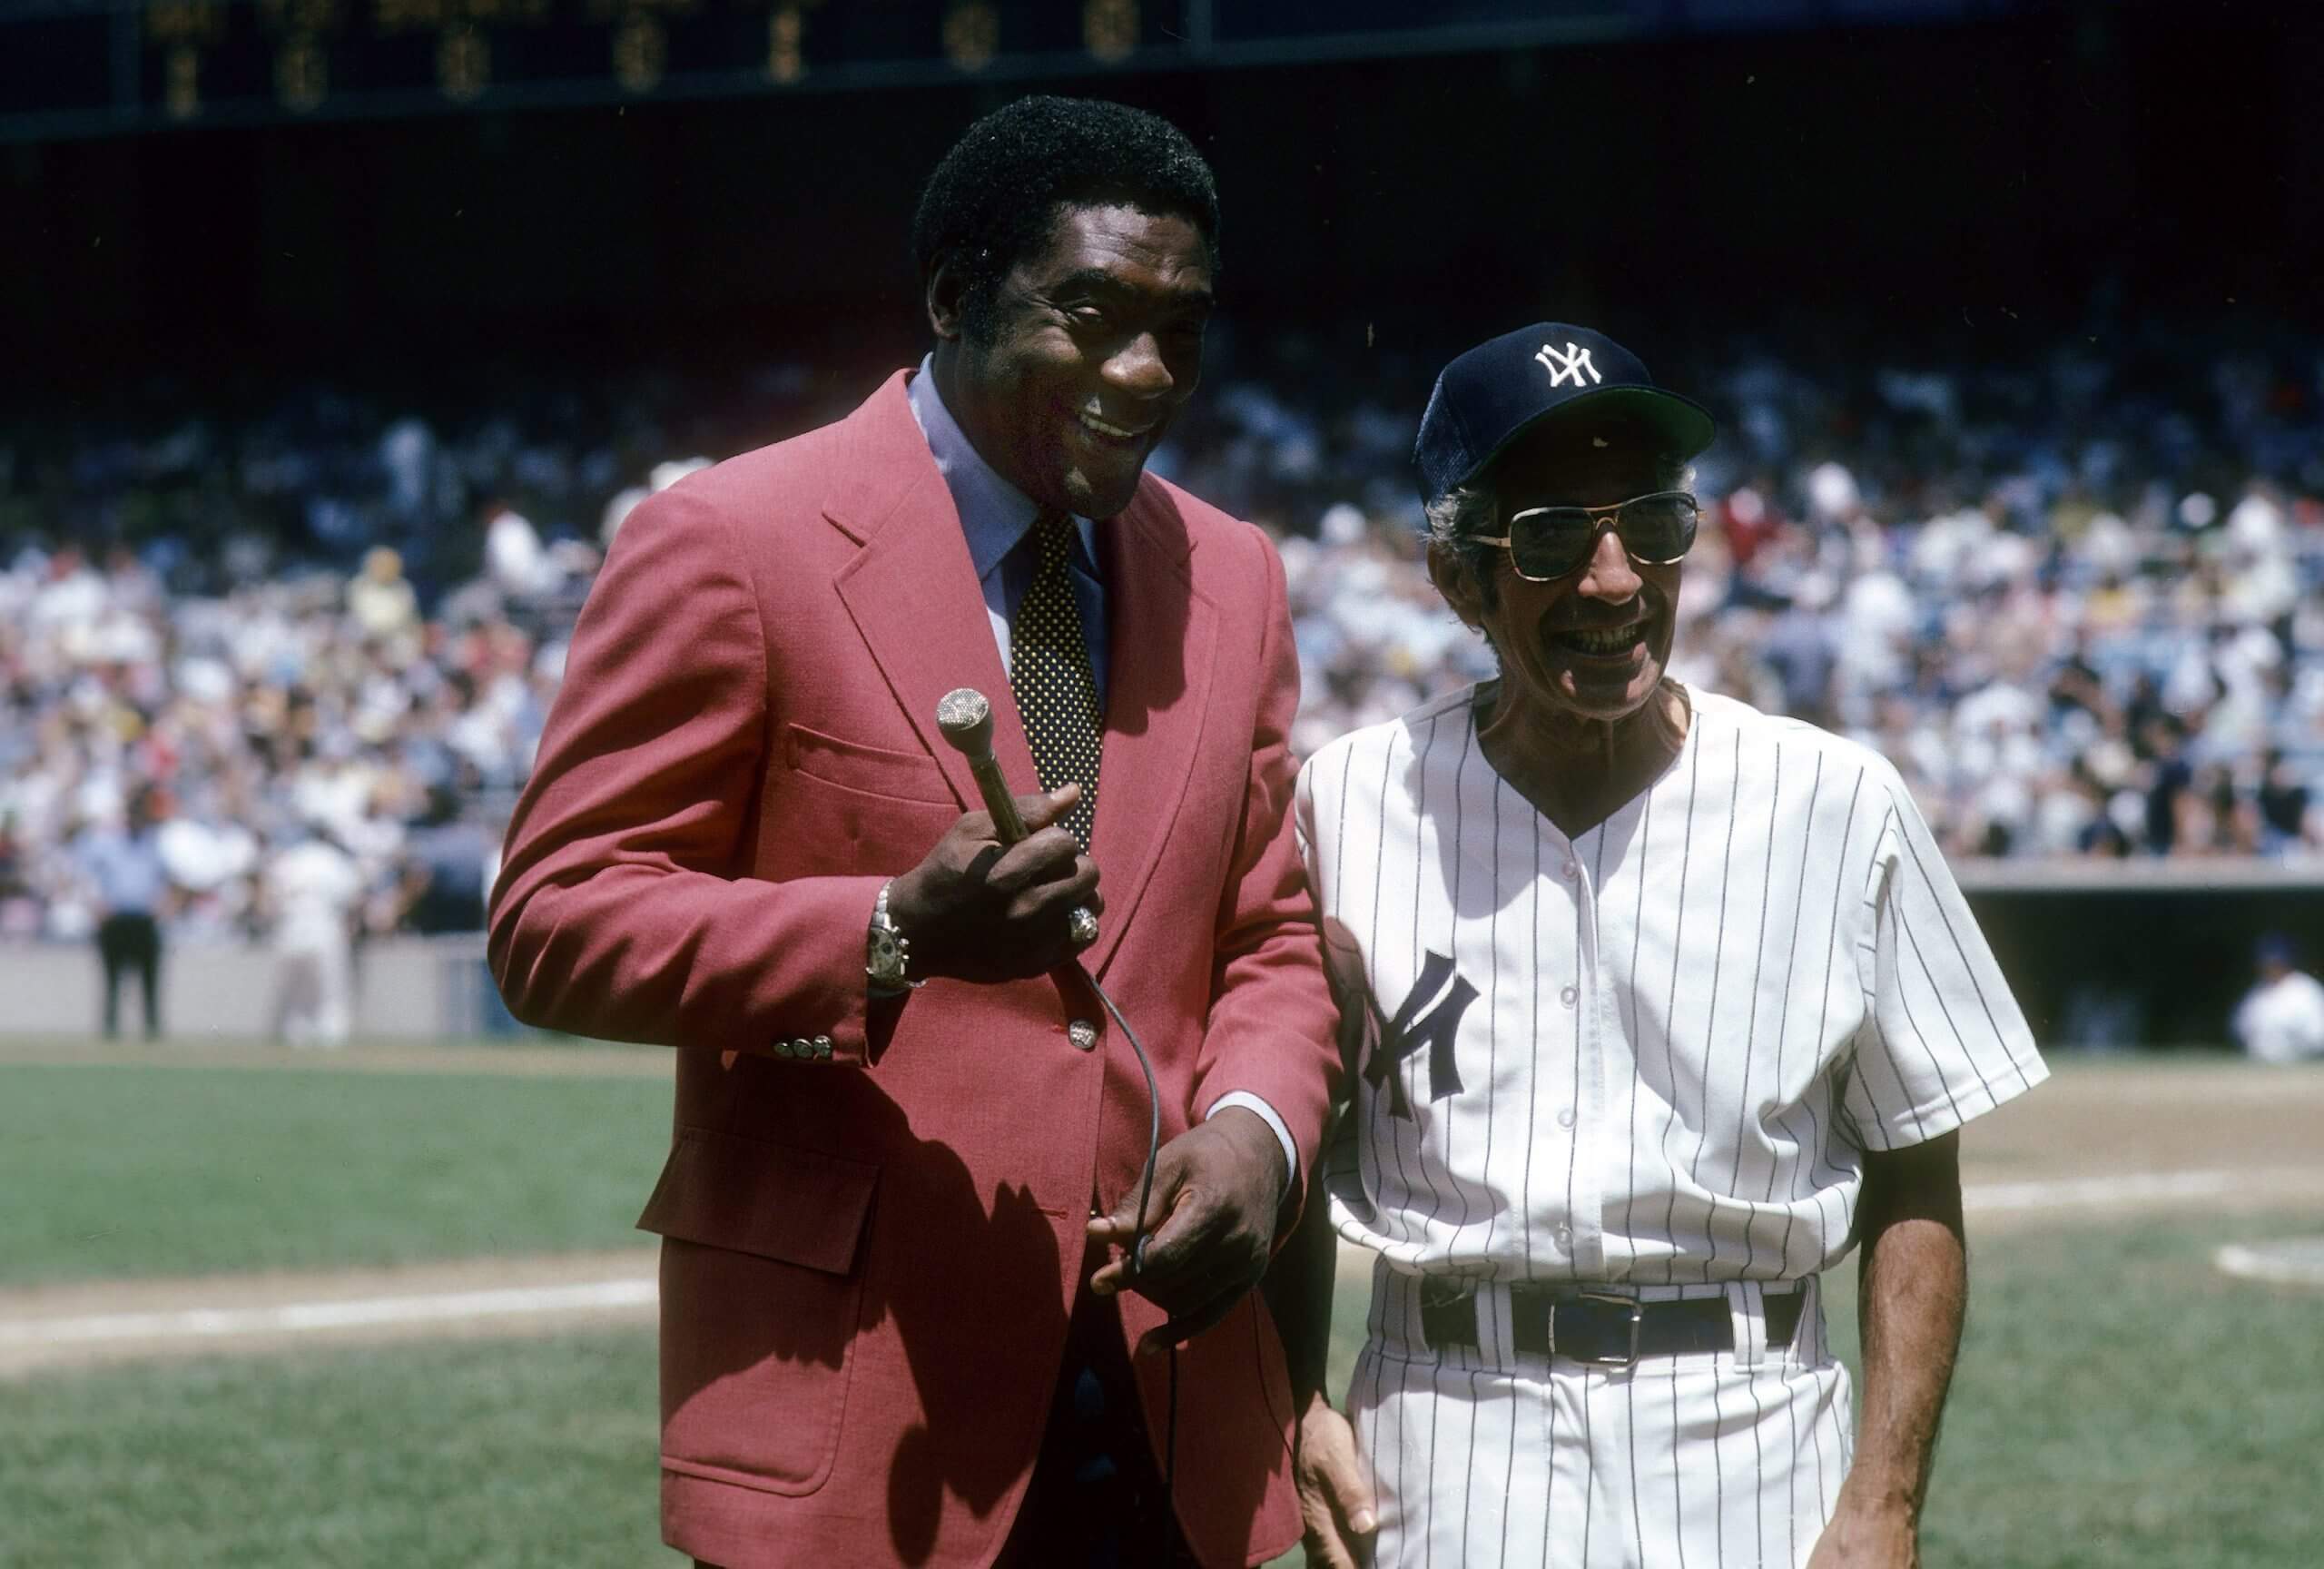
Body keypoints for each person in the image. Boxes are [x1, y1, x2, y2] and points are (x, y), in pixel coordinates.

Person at [488, 97, 1339, 1569]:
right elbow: (555, 917)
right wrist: (883, 928)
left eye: (1180, 329)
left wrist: (1258, 1134)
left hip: (1166, 1400)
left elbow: (1265, 933)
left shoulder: (1236, 574)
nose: (1143, 370)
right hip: (856, 1410)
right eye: (1092, 312)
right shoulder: (733, 540)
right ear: (953, 294)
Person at [1273, 324, 2049, 1568]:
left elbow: (1917, 1170)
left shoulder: (1832, 800)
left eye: (1653, 522)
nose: (1616, 579)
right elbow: (1295, 1143)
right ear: (1459, 575)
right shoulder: (1348, 802)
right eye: (1551, 538)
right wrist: (1297, 1401)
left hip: (1749, 1427)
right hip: (1445, 1431)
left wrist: (1885, 1497)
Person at [78, 784, 173, 1041]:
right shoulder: (108, 842)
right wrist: (96, 905)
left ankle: (152, 1030)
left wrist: (163, 903)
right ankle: (110, 1029)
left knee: (149, 980)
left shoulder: (154, 842)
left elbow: (166, 878)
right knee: (112, 980)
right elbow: (86, 875)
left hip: (144, 919)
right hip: (115, 919)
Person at [2231, 933, 2324, 1065]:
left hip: (2299, 1063)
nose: (2271, 967)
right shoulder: (2257, 991)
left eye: (2275, 962)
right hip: (2260, 1064)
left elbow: (2318, 1036)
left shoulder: (2307, 989)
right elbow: (2240, 1027)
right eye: (2266, 963)